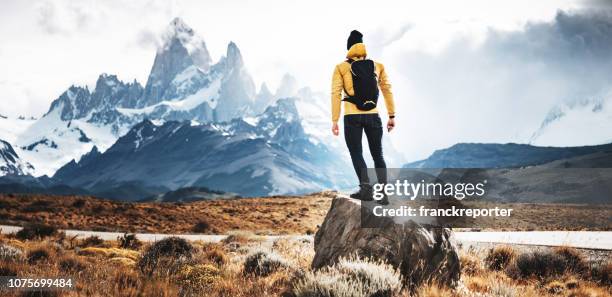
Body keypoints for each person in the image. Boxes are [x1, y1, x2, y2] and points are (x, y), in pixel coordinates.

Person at [331, 30, 395, 204]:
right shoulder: (377, 65)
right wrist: (391, 115)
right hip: (374, 116)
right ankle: (383, 194)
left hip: (352, 117)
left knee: (356, 153)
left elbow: (335, 93)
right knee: (378, 154)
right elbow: (387, 89)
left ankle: (366, 189)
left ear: (348, 48)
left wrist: (335, 120)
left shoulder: (341, 68)